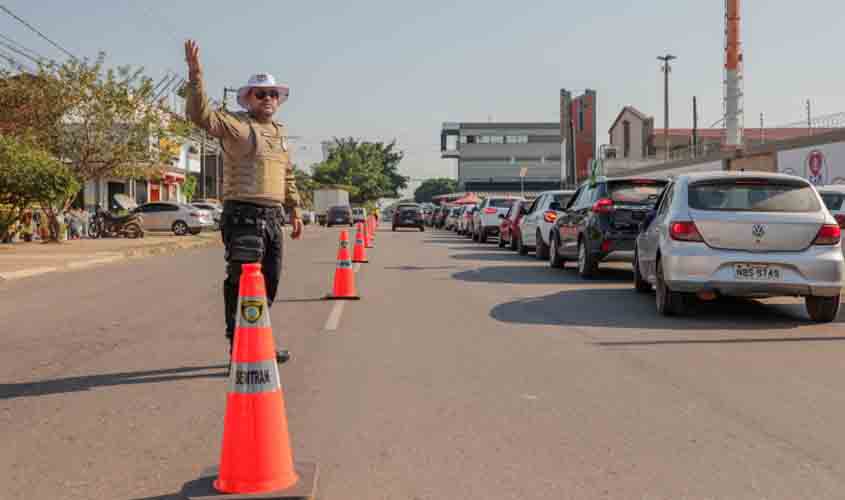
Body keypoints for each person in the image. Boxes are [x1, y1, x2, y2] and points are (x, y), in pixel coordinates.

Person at [183, 40, 303, 366]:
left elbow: (287, 174)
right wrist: (196, 76)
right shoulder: (237, 127)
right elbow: (201, 115)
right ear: (247, 99)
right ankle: (239, 347)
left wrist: (295, 209)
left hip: (273, 218)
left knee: (270, 282)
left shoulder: (278, 133)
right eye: (260, 93)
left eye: (273, 94)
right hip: (244, 217)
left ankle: (258, 341)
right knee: (242, 283)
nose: (268, 99)